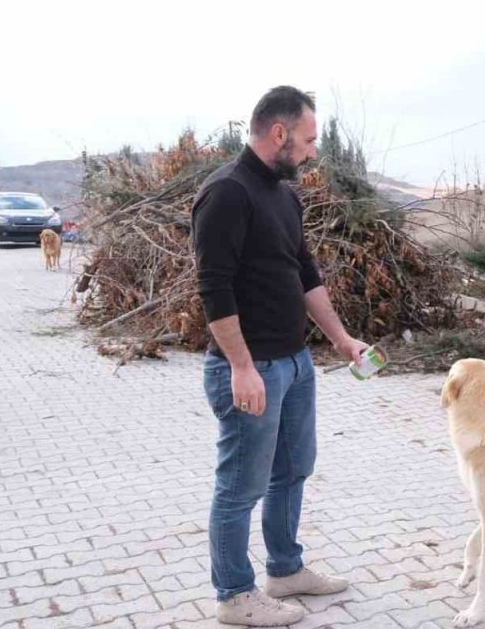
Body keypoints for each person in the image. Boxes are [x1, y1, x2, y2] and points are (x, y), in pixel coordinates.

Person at [192, 86, 369, 626]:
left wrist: (340, 340)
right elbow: (213, 288)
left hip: (294, 363)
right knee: (240, 486)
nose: (314, 150)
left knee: (292, 470)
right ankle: (234, 597)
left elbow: (305, 276)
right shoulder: (225, 193)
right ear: (279, 133)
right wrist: (242, 368)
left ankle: (286, 570)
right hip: (250, 369)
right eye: (309, 139)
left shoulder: (285, 195)